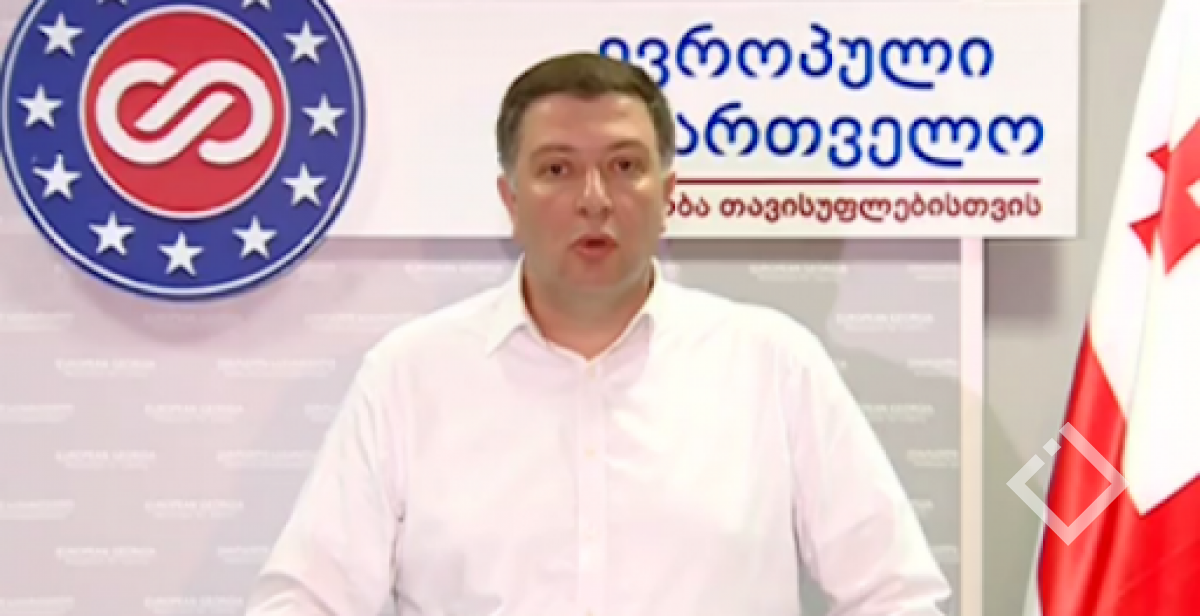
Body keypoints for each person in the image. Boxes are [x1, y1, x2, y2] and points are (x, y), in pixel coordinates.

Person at [244, 52, 951, 616]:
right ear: (510, 200)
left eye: (624, 167)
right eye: (557, 169)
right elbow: (306, 600)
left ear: (668, 195)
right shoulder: (410, 374)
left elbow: (894, 594)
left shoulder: (772, 363)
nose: (594, 199)